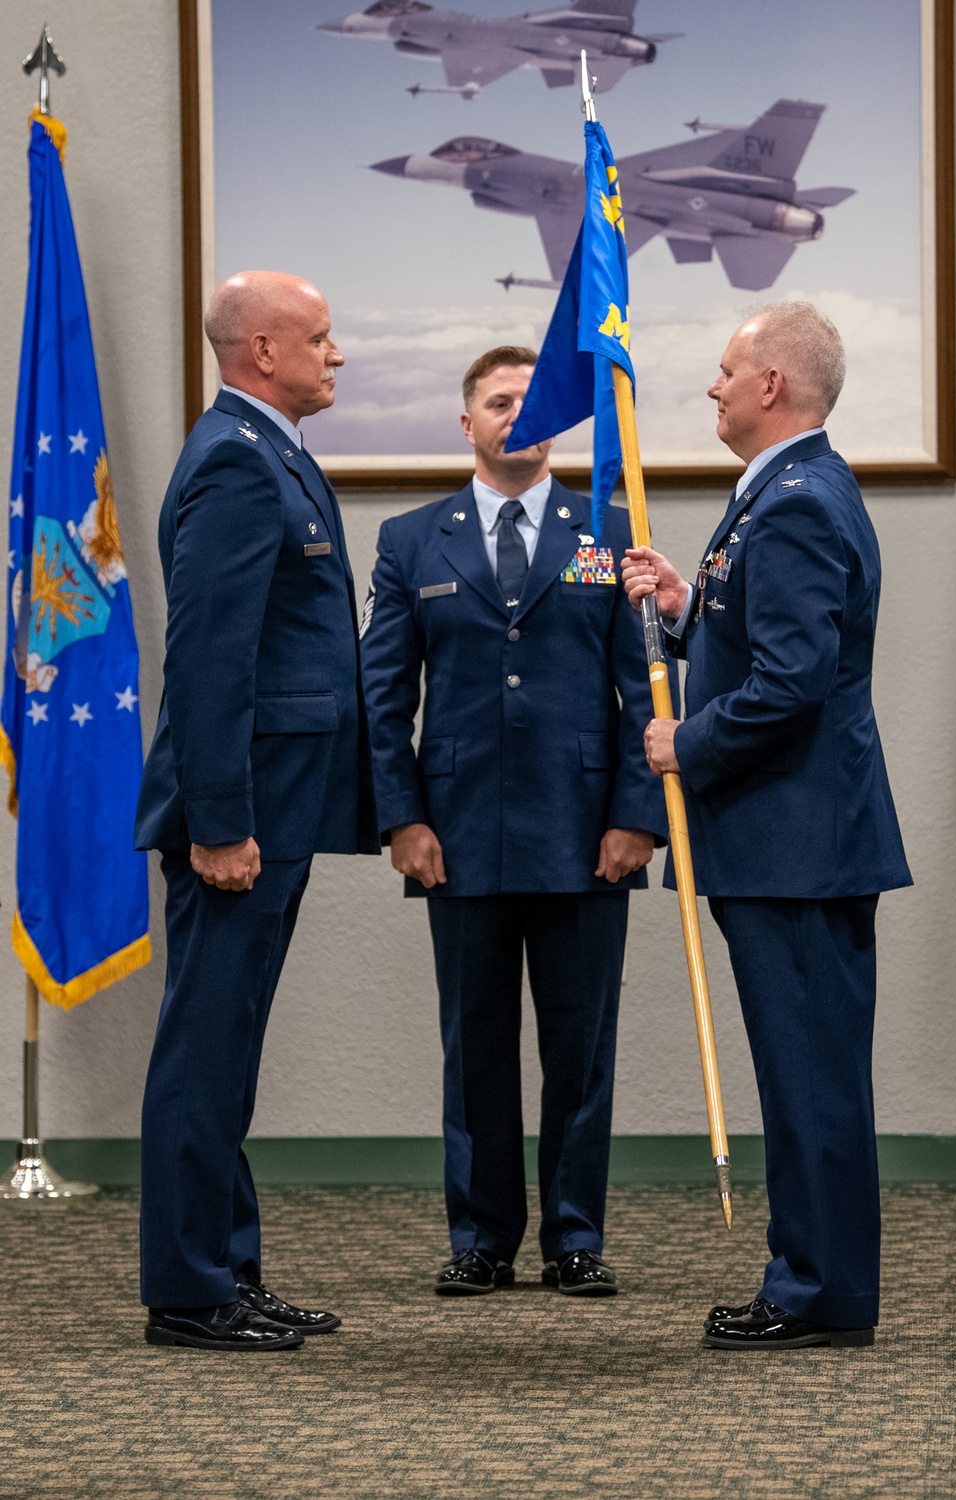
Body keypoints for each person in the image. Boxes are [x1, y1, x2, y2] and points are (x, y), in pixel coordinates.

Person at [622, 303, 911, 1350]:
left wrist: (682, 745)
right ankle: (813, 1283)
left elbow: (792, 683)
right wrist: (682, 613)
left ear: (773, 387)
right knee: (806, 1075)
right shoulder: (790, 493)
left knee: (809, 1079)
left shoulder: (791, 503)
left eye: (725, 371)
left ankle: (817, 1297)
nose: (713, 387)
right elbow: (771, 644)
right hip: (793, 839)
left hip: (795, 844)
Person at [360, 346, 668, 1298]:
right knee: (476, 1045)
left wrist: (637, 818)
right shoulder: (413, 541)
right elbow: (380, 698)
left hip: (588, 838)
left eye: (532, 405)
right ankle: (482, 1235)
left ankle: (575, 1235)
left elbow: (645, 691)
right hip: (454, 837)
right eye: (499, 404)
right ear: (467, 424)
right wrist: (400, 819)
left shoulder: (612, 532)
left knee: (581, 1050)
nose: (516, 419)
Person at [134, 271, 380, 1351]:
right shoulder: (237, 459)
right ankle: (189, 1290)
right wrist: (220, 821)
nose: (339, 355)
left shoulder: (265, 445)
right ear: (264, 350)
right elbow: (209, 660)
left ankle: (228, 1267)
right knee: (205, 1049)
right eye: (322, 339)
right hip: (237, 818)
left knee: (229, 1049)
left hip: (273, 806)